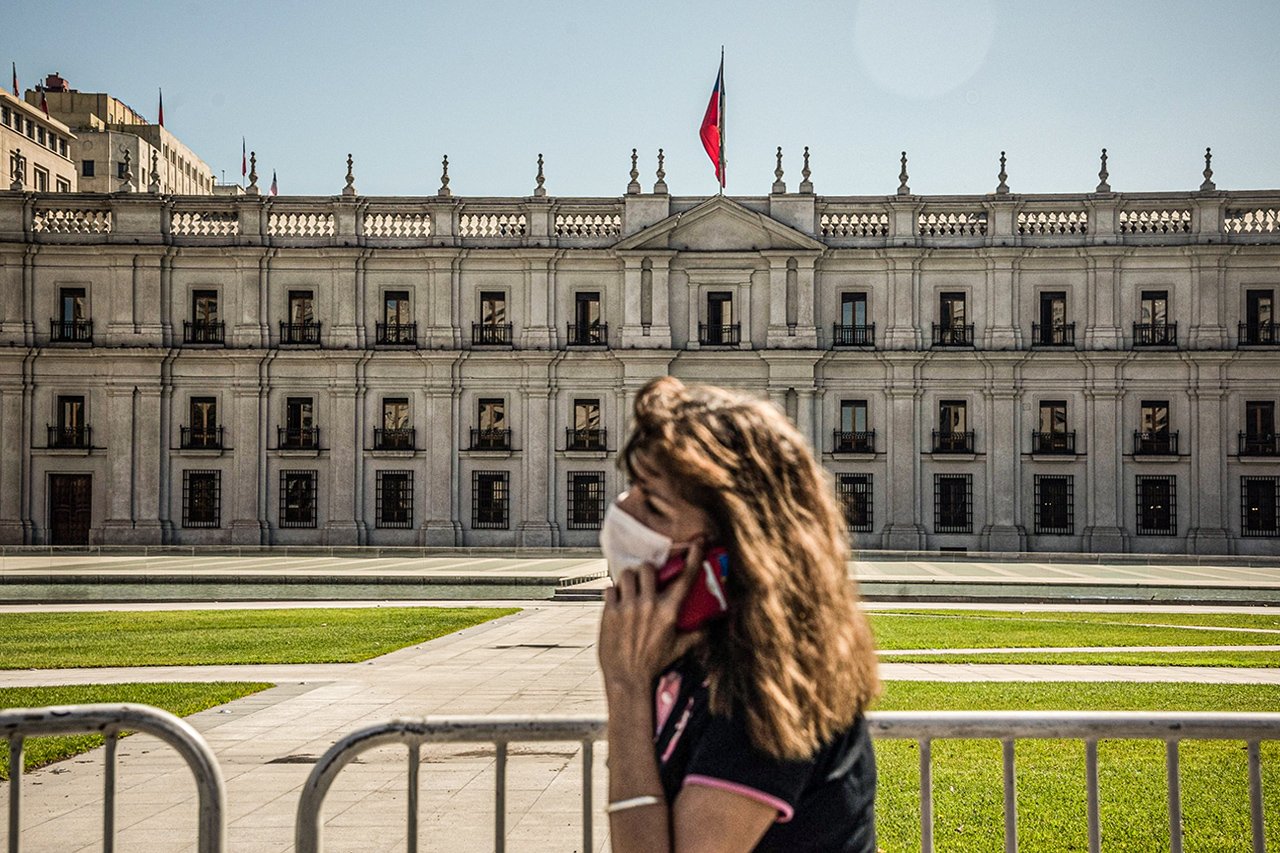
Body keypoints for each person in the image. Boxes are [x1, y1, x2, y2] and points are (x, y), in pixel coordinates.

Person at [597, 376, 881, 853]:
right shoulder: (701, 656)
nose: (624, 509)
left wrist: (625, 690)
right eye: (632, 488)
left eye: (654, 504)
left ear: (731, 544)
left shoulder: (776, 682)